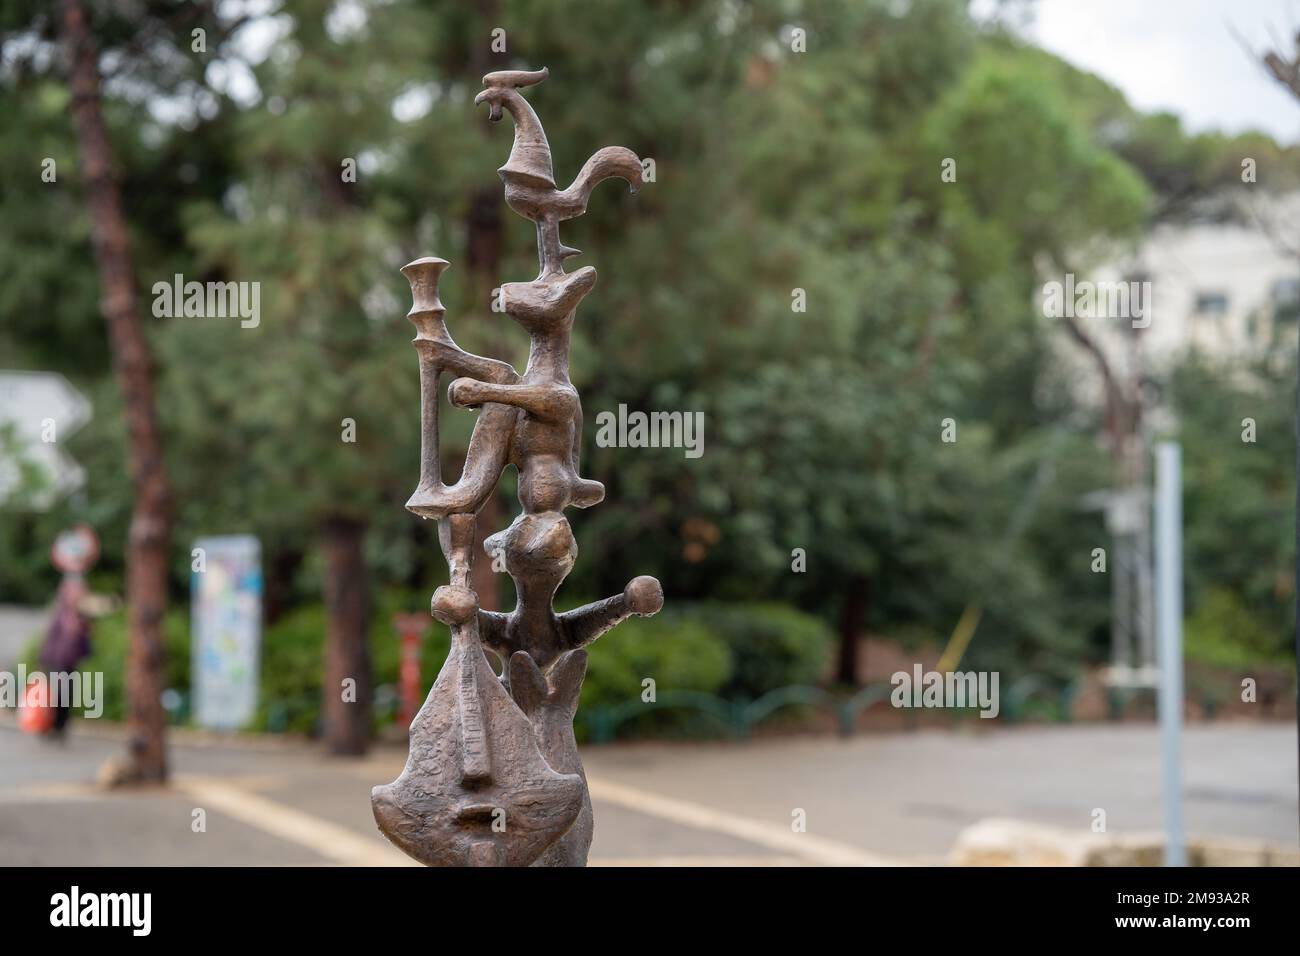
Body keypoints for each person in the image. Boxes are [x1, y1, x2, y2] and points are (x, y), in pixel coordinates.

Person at [38, 576, 93, 739]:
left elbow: (84, 645)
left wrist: (83, 630)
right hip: (54, 661)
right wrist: (41, 661)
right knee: (53, 696)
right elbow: (49, 639)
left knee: (66, 696)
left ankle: (59, 727)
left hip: (69, 663)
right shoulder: (60, 613)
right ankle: (48, 725)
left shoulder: (81, 616)